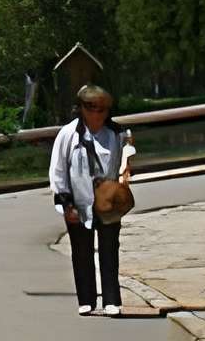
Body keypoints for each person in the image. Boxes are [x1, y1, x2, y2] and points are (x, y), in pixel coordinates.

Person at [48, 84, 134, 317]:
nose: (98, 113)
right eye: (93, 108)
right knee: (81, 250)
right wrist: (66, 203)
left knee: (109, 249)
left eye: (103, 109)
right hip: (77, 199)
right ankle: (86, 299)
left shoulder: (116, 134)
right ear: (82, 109)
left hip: (106, 200)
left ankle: (111, 300)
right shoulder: (68, 134)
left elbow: (122, 165)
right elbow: (58, 170)